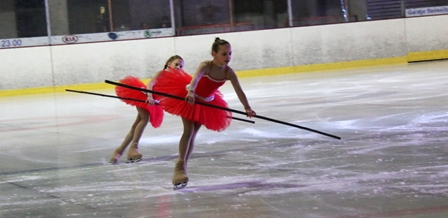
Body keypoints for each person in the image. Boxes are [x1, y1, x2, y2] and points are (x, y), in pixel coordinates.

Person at [152, 38, 256, 189]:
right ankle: (179, 165)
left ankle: (184, 165)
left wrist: (247, 107)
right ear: (214, 53)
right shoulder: (206, 65)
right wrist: (191, 92)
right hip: (190, 98)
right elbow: (195, 79)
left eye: (230, 54)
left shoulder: (228, 72)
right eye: (224, 54)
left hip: (207, 103)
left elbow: (239, 90)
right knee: (188, 131)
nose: (228, 57)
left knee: (193, 133)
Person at [109, 55, 185, 164]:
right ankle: (133, 147)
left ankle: (119, 151)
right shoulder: (162, 73)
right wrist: (149, 97)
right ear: (169, 64)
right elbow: (150, 84)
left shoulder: (176, 78)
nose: (178, 67)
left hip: (154, 102)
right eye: (176, 64)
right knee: (145, 118)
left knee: (136, 125)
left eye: (181, 66)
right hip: (144, 96)